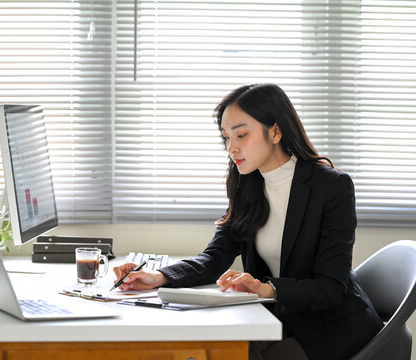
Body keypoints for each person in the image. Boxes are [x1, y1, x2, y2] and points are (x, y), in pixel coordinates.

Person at [113, 83, 384, 360]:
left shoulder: (331, 187)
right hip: (275, 320)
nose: (232, 148)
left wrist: (267, 289)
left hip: (329, 329)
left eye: (241, 134)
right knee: (202, 348)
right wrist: (159, 276)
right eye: (226, 138)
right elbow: (215, 257)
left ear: (276, 131)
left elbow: (331, 287)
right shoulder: (247, 185)